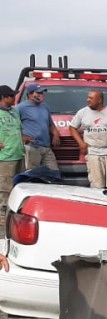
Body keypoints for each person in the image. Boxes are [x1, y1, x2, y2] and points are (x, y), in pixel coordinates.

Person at [69, 90, 107, 188]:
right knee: (96, 185)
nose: (88, 100)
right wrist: (81, 143)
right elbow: (72, 128)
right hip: (92, 153)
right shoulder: (82, 112)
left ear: (99, 100)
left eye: (91, 98)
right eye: (88, 97)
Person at [17, 83, 60, 171]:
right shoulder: (21, 107)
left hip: (46, 147)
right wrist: (22, 136)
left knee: (53, 172)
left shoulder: (45, 107)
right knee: (32, 174)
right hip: (32, 147)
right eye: (38, 93)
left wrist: (56, 135)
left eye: (42, 93)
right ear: (30, 95)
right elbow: (13, 125)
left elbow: (50, 124)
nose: (41, 95)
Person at [0, 85, 25, 223]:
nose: (14, 97)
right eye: (11, 96)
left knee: (17, 185)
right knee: (4, 187)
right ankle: (2, 215)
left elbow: (19, 129)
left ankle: (13, 212)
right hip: (4, 157)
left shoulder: (14, 112)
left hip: (18, 153)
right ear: (3, 98)